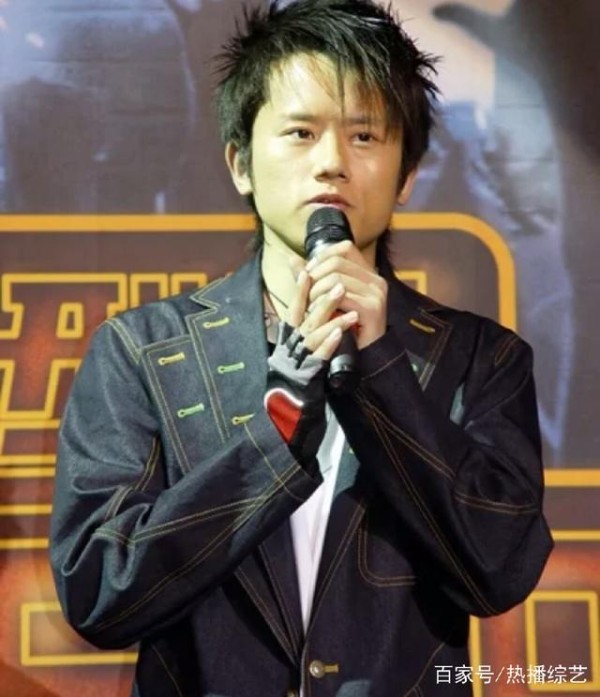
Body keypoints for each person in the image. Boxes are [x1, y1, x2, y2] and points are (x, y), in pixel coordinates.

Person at [49, 1, 553, 695]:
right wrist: (275, 434)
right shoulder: (142, 352)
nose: (332, 163)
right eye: (301, 132)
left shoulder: (482, 358)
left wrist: (382, 372)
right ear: (241, 164)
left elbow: (499, 569)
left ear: (406, 175)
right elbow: (99, 592)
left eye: (364, 135)